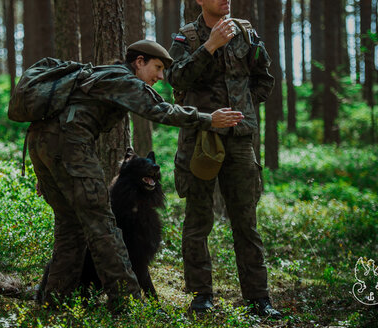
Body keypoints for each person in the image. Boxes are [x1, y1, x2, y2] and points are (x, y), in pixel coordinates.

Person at [27, 40, 244, 312]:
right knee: (102, 224)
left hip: (44, 144)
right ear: (138, 62)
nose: (161, 76)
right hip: (67, 146)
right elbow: (161, 110)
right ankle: (127, 302)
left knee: (71, 227)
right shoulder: (125, 80)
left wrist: (52, 168)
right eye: (158, 67)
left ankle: (54, 300)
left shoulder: (104, 74)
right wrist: (208, 119)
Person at [165, 0, 281, 318]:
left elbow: (265, 79)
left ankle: (259, 298)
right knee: (198, 221)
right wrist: (211, 46)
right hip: (201, 139)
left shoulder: (246, 32)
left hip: (240, 142)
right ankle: (201, 295)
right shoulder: (186, 37)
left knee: (246, 222)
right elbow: (176, 78)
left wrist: (243, 109)